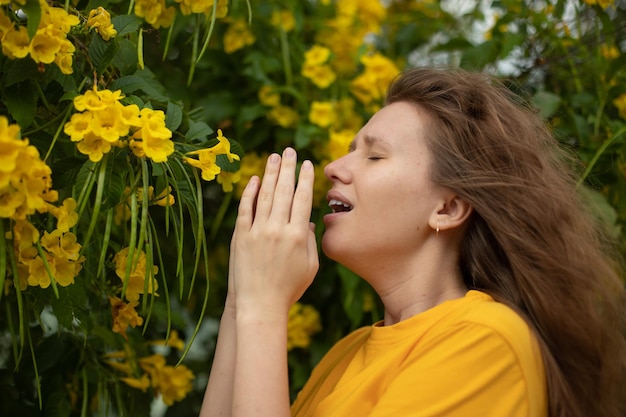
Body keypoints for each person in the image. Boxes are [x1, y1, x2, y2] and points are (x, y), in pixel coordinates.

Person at [199, 67, 626, 417]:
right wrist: (243, 300)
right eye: (350, 150)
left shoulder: (485, 344)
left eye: (374, 155)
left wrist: (265, 311)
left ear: (448, 208)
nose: (334, 167)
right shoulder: (347, 354)